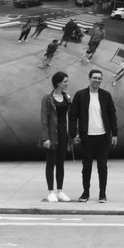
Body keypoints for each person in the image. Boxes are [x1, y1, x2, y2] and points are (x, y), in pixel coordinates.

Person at [69, 68, 118, 203]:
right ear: (89, 78)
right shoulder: (80, 95)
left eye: (99, 78)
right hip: (86, 137)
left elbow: (112, 115)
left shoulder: (106, 95)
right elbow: (73, 116)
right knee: (86, 167)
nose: (97, 80)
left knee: (102, 167)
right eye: (95, 78)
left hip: (103, 137)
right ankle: (85, 193)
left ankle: (102, 194)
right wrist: (73, 134)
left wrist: (115, 133)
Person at [39, 71, 73, 202]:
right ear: (58, 83)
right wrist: (45, 137)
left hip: (63, 133)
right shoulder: (47, 98)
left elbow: (70, 116)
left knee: (60, 163)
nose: (67, 83)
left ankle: (60, 191)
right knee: (50, 163)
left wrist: (72, 134)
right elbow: (43, 119)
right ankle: (50, 192)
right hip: (52, 133)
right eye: (65, 81)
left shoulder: (67, 97)